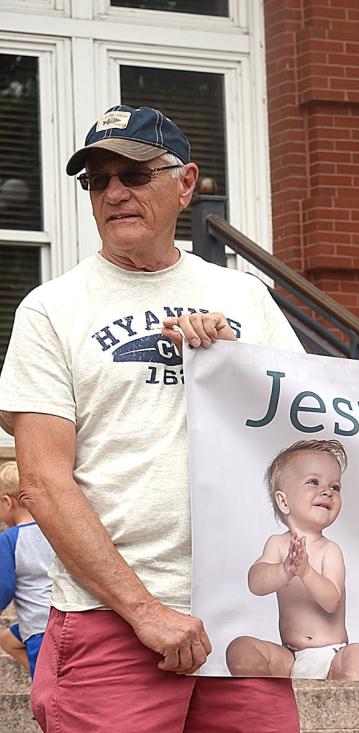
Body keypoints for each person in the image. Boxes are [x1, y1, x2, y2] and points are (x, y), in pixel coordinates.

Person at [0, 104, 305, 731]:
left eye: (134, 175)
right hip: (109, 618)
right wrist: (143, 610)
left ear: (185, 183)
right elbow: (43, 484)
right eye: (97, 180)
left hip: (238, 617)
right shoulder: (50, 309)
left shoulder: (246, 299)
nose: (114, 193)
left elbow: (302, 440)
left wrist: (237, 363)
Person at [225, 440, 359, 680]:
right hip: (291, 658)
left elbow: (331, 600)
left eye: (335, 486)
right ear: (284, 502)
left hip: (332, 657)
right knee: (240, 649)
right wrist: (285, 571)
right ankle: (266, 707)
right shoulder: (277, 545)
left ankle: (346, 708)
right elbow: (256, 583)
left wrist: (305, 572)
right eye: (313, 482)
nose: (327, 491)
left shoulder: (329, 550)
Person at [0, 460, 53, 677]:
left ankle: (43, 683)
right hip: (64, 620)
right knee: (7, 639)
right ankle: (42, 679)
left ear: (7, 502)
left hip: (39, 629)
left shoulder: (10, 539)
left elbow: (4, 587)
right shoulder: (54, 530)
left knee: (53, 693)